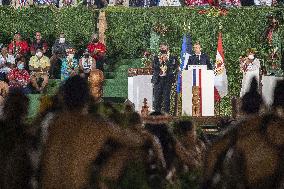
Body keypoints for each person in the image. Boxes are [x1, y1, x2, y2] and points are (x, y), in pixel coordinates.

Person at [152, 43, 178, 114]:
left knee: (166, 99)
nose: (162, 49)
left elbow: (174, 67)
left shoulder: (173, 57)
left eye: (164, 48)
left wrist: (166, 61)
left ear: (167, 48)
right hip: (158, 80)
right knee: (157, 99)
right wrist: (160, 62)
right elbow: (154, 67)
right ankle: (156, 116)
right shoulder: (156, 57)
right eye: (161, 48)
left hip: (167, 80)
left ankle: (166, 116)